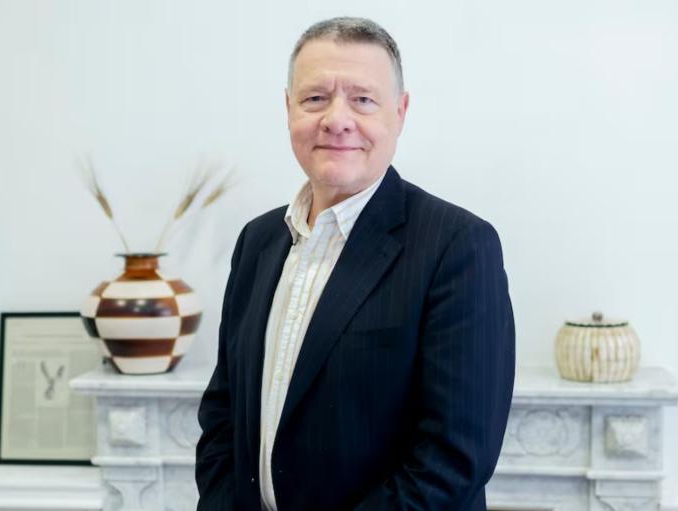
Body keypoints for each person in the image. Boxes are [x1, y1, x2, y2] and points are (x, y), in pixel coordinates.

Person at [196, 16, 515, 511]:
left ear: (400, 112)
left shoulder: (458, 246)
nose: (336, 119)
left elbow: (454, 458)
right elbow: (223, 414)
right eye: (315, 98)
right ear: (288, 108)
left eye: (363, 99)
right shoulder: (257, 242)